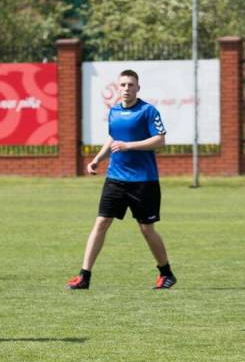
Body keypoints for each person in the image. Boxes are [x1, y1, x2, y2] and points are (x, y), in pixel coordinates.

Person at [66, 69, 177, 290]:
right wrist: (97, 159)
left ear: (138, 88)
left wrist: (129, 145)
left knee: (147, 229)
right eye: (123, 85)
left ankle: (166, 273)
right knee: (101, 222)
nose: (126, 89)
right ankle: (84, 276)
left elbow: (160, 140)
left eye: (130, 85)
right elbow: (113, 139)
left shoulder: (148, 111)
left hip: (144, 181)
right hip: (115, 178)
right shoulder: (114, 111)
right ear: (118, 87)